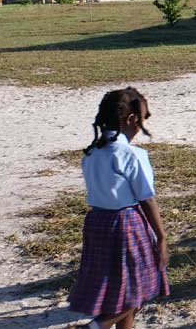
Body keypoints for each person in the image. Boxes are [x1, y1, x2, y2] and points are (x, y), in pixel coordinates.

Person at [68, 88, 169, 329]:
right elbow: (147, 199)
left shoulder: (91, 153)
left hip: (97, 222)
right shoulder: (132, 155)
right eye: (143, 120)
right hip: (127, 224)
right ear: (132, 119)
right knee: (137, 291)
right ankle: (93, 327)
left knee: (117, 289)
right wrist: (161, 237)